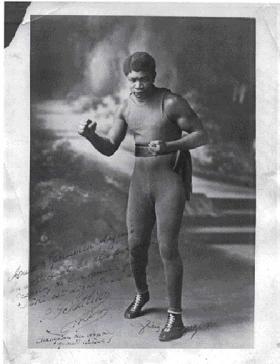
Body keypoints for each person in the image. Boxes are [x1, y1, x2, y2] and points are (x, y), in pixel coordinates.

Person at [78, 52, 207, 342]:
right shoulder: (126, 109)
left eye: (144, 79)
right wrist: (90, 136)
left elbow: (201, 135)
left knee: (167, 248)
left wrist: (170, 145)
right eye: (133, 80)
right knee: (135, 245)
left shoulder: (170, 102)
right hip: (140, 185)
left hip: (169, 184)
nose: (138, 85)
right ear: (128, 80)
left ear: (154, 76)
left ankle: (176, 318)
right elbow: (110, 146)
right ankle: (142, 295)